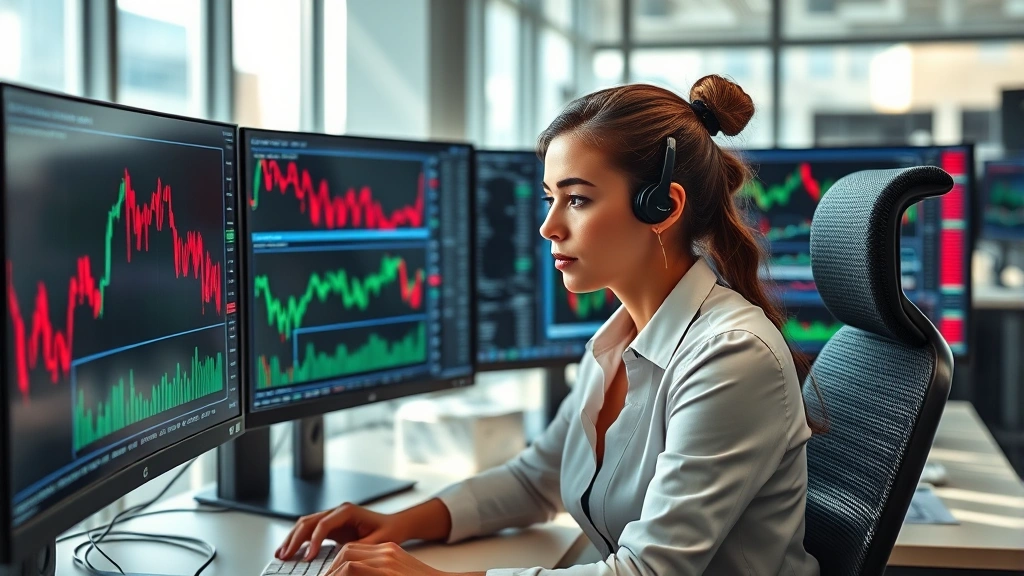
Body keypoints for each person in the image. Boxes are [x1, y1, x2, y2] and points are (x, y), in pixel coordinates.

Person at [275, 75, 828, 576]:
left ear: (662, 206)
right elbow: (533, 479)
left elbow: (651, 572)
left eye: (578, 200)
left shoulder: (732, 355)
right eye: (549, 199)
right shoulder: (619, 340)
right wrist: (399, 523)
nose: (548, 227)